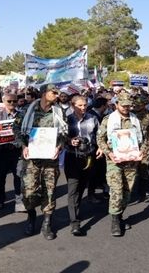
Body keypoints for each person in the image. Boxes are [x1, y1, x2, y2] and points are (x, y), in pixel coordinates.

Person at [14, 84, 67, 240]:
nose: (57, 95)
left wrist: (59, 146)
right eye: (54, 92)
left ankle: (47, 223)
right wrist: (23, 145)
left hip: (50, 160)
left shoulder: (59, 111)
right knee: (29, 192)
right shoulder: (27, 110)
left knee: (49, 192)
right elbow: (16, 128)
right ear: (44, 93)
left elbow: (64, 132)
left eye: (58, 93)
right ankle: (31, 218)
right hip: (31, 160)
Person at [97, 93, 145, 237]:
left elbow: (143, 139)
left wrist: (142, 152)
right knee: (116, 190)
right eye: (123, 105)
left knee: (127, 191)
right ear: (116, 104)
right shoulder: (108, 120)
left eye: (128, 105)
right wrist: (108, 152)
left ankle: (120, 214)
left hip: (131, 161)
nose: (126, 108)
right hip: (114, 161)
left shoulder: (135, 120)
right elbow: (100, 139)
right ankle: (115, 220)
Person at [65, 95, 101, 236]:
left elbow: (99, 135)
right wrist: (69, 140)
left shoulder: (93, 118)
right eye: (80, 105)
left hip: (89, 157)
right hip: (72, 157)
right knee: (73, 188)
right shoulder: (66, 119)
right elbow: (59, 137)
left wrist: (101, 147)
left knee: (81, 187)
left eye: (85, 105)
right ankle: (75, 222)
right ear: (73, 105)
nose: (83, 108)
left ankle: (76, 207)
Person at [0, 93, 24, 211]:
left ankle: (19, 201)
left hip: (17, 152)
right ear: (4, 102)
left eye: (14, 101)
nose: (12, 103)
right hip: (0, 152)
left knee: (20, 177)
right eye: (9, 101)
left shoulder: (22, 116)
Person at [132, 94, 149, 202]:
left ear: (144, 104)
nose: (137, 106)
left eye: (139, 104)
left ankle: (143, 192)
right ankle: (130, 190)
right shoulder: (129, 114)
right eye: (135, 104)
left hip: (145, 145)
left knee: (144, 168)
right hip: (130, 145)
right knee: (131, 168)